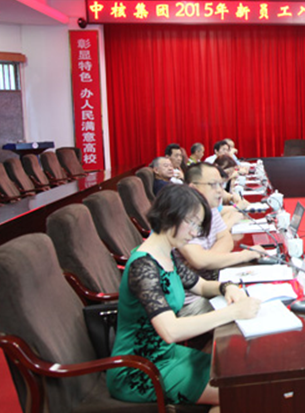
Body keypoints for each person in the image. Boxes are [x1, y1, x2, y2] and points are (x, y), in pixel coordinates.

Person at [107, 184, 260, 410]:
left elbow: (202, 286)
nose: (195, 233)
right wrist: (233, 312)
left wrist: (227, 287)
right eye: (192, 223)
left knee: (242, 378)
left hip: (167, 355)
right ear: (170, 215)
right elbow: (171, 331)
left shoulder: (166, 254)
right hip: (139, 369)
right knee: (242, 395)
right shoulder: (143, 266)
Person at [177, 163, 266, 316]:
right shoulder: (182, 217)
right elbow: (200, 260)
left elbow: (226, 239)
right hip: (192, 301)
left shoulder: (210, 208)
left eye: (221, 184)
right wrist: (244, 255)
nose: (220, 190)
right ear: (193, 188)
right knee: (258, 307)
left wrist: (208, 259)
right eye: (213, 185)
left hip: (211, 284)